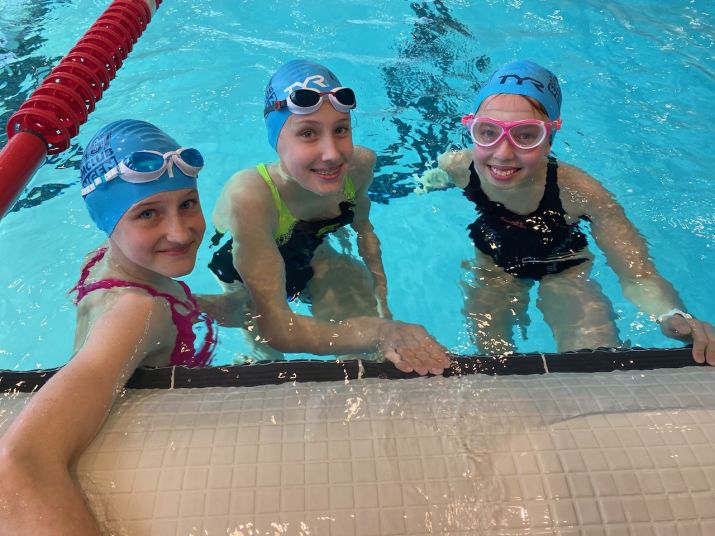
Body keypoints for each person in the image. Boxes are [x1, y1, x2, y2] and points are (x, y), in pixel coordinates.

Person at [0, 119, 246, 535]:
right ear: (109, 219)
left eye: (187, 203)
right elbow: (19, 465)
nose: (180, 231)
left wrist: (231, 306)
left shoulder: (104, 260)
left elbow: (173, 306)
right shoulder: (137, 313)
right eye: (148, 213)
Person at [431, 59, 714, 362]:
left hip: (565, 268)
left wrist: (671, 314)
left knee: (595, 356)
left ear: (549, 139)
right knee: (492, 358)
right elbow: (433, 179)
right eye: (488, 132)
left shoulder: (581, 193)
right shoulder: (458, 166)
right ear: (472, 128)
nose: (503, 153)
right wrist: (428, 184)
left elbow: (638, 274)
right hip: (493, 266)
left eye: (526, 135)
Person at [209, 59, 450, 375]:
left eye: (340, 129)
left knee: (367, 335)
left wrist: (383, 307)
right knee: (266, 350)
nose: (333, 154)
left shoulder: (359, 165)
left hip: (314, 252)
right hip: (243, 276)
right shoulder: (251, 196)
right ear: (277, 140)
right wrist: (380, 330)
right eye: (308, 133)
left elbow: (363, 228)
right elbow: (277, 328)